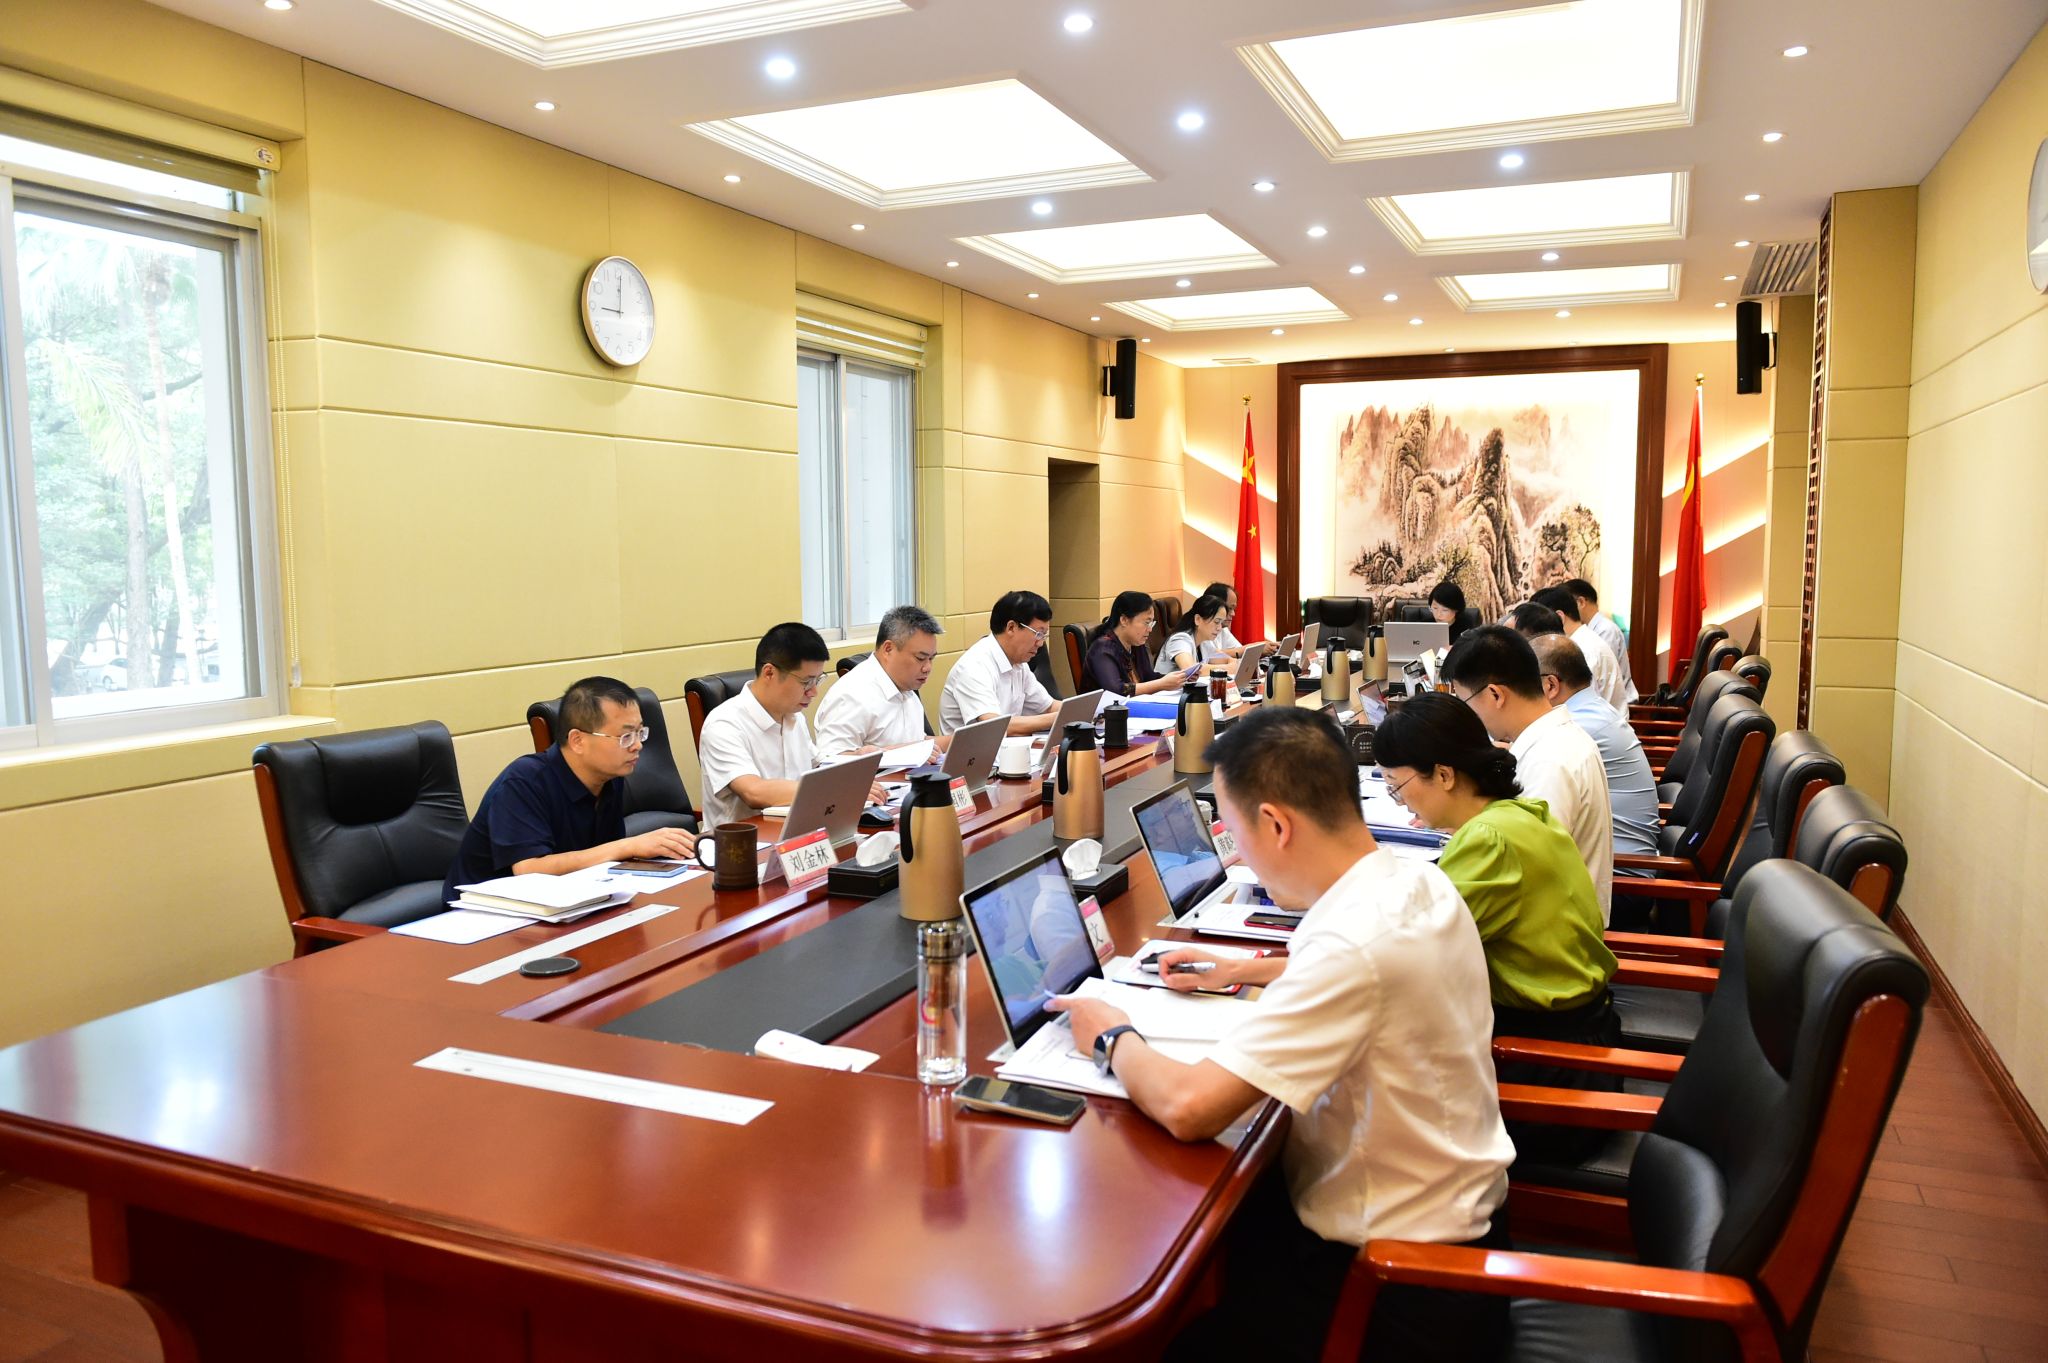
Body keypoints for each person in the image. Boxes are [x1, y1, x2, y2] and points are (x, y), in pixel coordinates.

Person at [1047, 708, 1512, 1363]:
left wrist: (1110, 1033)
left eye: (1235, 832)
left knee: (1174, 1324)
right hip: (1452, 1229)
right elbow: (1369, 972)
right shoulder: (1415, 878)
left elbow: (1189, 1108)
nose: (1238, 854)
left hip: (1398, 1285)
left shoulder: (1353, 945)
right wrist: (1244, 969)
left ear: (1276, 824)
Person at [1374, 692, 1621, 1162]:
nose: (1401, 804)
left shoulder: (1488, 840)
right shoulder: (1519, 814)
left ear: (1444, 775)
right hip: (1575, 1045)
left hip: (1549, 1072)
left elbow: (1404, 958)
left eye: (1396, 786)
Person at [442, 676, 696, 903]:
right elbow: (529, 870)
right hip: (484, 915)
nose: (637, 745)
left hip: (568, 901)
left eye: (640, 733)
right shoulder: (524, 781)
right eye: (626, 736)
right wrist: (627, 846)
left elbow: (600, 861)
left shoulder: (610, 776)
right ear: (578, 740)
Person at [1441, 625, 1615, 921]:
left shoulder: (1548, 762)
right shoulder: (1556, 739)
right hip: (1553, 918)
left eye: (1465, 702)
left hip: (1552, 934)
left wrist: (1458, 826)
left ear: (1495, 694)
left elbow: (1523, 872)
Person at [697, 622, 885, 828]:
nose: (814, 692)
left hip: (798, 831)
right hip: (744, 842)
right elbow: (754, 791)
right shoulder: (724, 724)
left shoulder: (794, 716)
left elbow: (818, 765)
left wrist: (855, 759)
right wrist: (836, 789)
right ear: (769, 673)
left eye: (817, 681)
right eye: (806, 682)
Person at [1532, 633, 1662, 920]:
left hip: (1621, 881)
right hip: (1613, 864)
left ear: (1550, 685)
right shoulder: (1591, 709)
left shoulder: (1578, 725)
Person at [812, 605, 950, 762]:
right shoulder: (852, 694)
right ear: (888, 649)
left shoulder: (906, 688)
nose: (927, 668)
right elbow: (828, 761)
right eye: (920, 658)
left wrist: (957, 742)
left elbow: (915, 741)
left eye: (931, 659)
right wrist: (902, 753)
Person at [939, 590, 1060, 735]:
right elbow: (994, 725)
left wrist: (1078, 712)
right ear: (1011, 627)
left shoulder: (1018, 663)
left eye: (1044, 636)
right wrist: (1057, 718)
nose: (1040, 643)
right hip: (974, 749)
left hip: (1008, 746)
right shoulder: (974, 667)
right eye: (1038, 634)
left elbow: (1049, 706)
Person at [1533, 585, 1630, 714]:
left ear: (1559, 617)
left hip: (1594, 723)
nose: (1538, 636)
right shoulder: (1583, 641)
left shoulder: (1581, 650)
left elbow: (1582, 707)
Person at [1083, 590, 1196, 697]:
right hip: (1104, 710)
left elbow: (1148, 677)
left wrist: (1180, 678)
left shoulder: (1137, 643)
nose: (1150, 629)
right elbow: (1117, 690)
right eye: (1146, 623)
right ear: (1124, 620)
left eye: (1151, 623)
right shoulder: (1102, 648)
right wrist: (1162, 684)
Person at [1562, 577, 1636, 701]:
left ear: (1581, 602)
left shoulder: (1606, 630)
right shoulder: (1588, 630)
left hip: (1615, 704)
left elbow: (1600, 675)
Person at [1159, 592, 1231, 672]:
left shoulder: (1205, 641)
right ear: (1198, 619)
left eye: (1221, 623)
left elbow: (1228, 660)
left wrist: (1232, 664)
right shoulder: (1180, 640)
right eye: (1216, 622)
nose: (1220, 628)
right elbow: (1190, 669)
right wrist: (1228, 668)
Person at [1204, 580, 1250, 654]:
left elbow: (1239, 649)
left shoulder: (1223, 630)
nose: (1233, 614)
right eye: (1229, 608)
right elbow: (1211, 656)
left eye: (1234, 609)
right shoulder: (1201, 630)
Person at [1427, 580, 1474, 644]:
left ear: (1456, 609)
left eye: (1445, 610)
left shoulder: (1468, 630)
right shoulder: (1423, 626)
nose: (1438, 614)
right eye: (1435, 608)